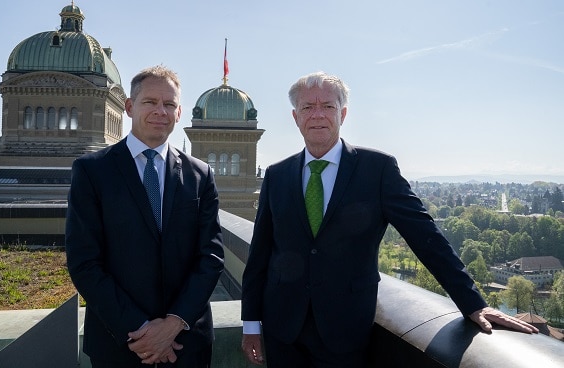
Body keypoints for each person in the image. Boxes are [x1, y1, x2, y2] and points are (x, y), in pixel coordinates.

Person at [240, 71, 538, 367]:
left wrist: (473, 303)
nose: (318, 114)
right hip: (282, 330)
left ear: (343, 113)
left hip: (345, 331)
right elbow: (260, 254)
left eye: (328, 106)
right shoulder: (277, 175)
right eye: (307, 107)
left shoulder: (377, 169)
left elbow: (425, 236)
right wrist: (251, 324)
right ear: (295, 117)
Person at [66, 65, 225, 368]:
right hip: (120, 344)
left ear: (179, 114)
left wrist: (173, 324)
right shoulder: (92, 172)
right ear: (129, 106)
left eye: (169, 104)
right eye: (150, 102)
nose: (160, 111)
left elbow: (211, 257)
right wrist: (142, 331)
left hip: (186, 344)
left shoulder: (200, 174)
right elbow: (84, 262)